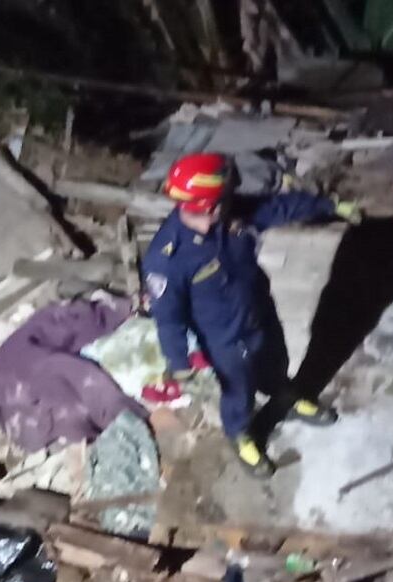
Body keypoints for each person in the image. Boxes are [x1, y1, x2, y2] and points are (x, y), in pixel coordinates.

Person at [141, 153, 358, 477]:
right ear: (198, 204)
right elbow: (169, 318)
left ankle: (286, 398)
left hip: (259, 311)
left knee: (276, 362)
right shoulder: (167, 258)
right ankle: (241, 434)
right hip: (224, 340)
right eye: (215, 204)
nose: (222, 210)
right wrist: (179, 364)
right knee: (239, 392)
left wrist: (328, 206)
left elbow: (280, 207)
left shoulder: (231, 213)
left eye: (223, 202)